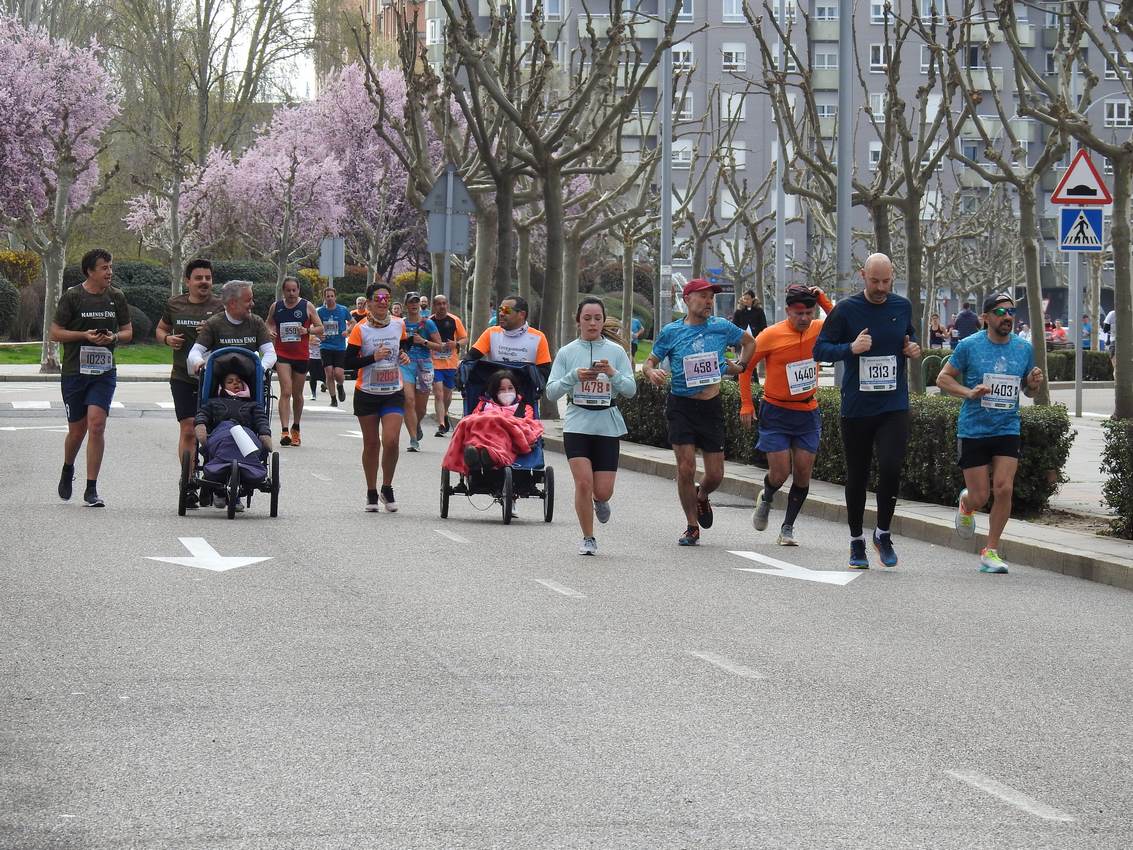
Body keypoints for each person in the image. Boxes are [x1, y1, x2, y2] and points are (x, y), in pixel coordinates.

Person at [813, 253, 921, 569]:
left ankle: (883, 533)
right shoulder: (847, 310)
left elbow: (910, 336)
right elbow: (819, 349)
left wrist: (913, 347)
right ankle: (856, 541)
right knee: (858, 475)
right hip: (857, 407)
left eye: (886, 281)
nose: (880, 287)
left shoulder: (901, 306)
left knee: (890, 467)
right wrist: (850, 348)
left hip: (893, 405)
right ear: (863, 276)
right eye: (874, 281)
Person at [935, 293, 1045, 574]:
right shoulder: (970, 346)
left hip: (1007, 427)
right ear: (986, 318)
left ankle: (990, 550)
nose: (1007, 317)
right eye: (1000, 312)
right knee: (980, 496)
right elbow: (943, 378)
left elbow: (1028, 390)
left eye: (1011, 312)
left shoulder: (1023, 348)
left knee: (1005, 487)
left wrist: (1033, 385)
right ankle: (966, 503)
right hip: (973, 429)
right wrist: (969, 392)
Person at [643, 278, 755, 546]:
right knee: (686, 467)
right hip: (681, 406)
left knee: (716, 474)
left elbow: (750, 343)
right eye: (703, 297)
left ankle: (702, 494)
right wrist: (651, 372)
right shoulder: (671, 332)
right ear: (687, 300)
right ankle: (692, 526)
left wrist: (740, 366)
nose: (708, 302)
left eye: (711, 298)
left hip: (710, 406)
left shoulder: (721, 327)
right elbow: (650, 361)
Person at [739, 284, 834, 546]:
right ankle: (768, 495)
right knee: (780, 472)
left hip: (807, 411)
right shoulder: (771, 335)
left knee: (803, 473)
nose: (804, 318)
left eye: (809, 313)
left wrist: (823, 299)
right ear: (787, 311)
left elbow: (843, 322)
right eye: (798, 313)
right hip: (776, 411)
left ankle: (787, 528)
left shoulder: (818, 329)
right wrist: (746, 404)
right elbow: (745, 369)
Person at [545, 297, 637, 556]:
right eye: (587, 318)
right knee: (583, 483)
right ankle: (588, 537)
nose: (593, 323)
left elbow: (630, 390)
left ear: (603, 320)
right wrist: (574, 376)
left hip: (607, 425)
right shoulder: (567, 352)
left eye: (597, 318)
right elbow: (551, 392)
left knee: (603, 490)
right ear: (578, 321)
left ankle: (600, 501)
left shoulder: (616, 353)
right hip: (577, 423)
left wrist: (612, 374)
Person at [50, 248, 133, 507]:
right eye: (104, 268)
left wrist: (114, 338)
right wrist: (84, 336)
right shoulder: (73, 297)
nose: (110, 272)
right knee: (77, 431)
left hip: (104, 372)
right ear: (90, 271)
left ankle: (91, 488)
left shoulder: (116, 296)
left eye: (111, 267)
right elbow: (55, 333)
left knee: (96, 424)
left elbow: (128, 331)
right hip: (75, 372)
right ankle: (67, 468)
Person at [155, 258, 223, 509]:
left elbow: (233, 336)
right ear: (188, 281)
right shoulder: (175, 304)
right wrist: (167, 339)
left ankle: (214, 480)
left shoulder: (221, 306)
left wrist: (215, 330)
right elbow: (160, 329)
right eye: (198, 278)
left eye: (208, 278)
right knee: (188, 428)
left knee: (214, 431)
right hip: (183, 376)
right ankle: (189, 481)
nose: (204, 282)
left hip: (214, 378)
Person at [344, 282, 410, 512]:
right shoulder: (360, 329)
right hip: (367, 393)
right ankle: (371, 492)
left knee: (391, 440)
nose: (383, 302)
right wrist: (372, 357)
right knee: (371, 444)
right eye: (378, 298)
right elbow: (348, 362)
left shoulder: (399, 325)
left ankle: (387, 487)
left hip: (393, 392)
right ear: (369, 302)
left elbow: (402, 348)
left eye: (386, 298)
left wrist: (403, 356)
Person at [194, 371, 273, 511]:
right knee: (227, 431)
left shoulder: (253, 405)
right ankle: (217, 488)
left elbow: (261, 420)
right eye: (230, 382)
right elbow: (203, 414)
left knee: (242, 436)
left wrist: (264, 433)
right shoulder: (214, 402)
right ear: (222, 386)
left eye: (238, 381)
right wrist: (201, 425)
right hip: (221, 435)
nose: (235, 383)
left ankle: (234, 493)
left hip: (245, 438)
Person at [442, 369, 544, 474]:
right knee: (474, 426)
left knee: (500, 436)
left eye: (510, 388)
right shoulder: (484, 405)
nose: (507, 392)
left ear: (516, 389)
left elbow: (527, 425)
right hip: (483, 435)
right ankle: (477, 456)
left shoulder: (524, 408)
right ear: (495, 392)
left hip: (508, 438)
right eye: (502, 389)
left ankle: (490, 456)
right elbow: (474, 420)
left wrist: (503, 421)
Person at [267, 277, 323, 446]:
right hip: (282, 354)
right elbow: (268, 323)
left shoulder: (307, 306)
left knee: (297, 394)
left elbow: (320, 328)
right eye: (288, 290)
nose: (291, 293)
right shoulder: (276, 307)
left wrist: (307, 330)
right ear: (283, 291)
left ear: (298, 291)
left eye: (294, 290)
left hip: (301, 355)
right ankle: (284, 430)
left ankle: (296, 428)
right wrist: (270, 332)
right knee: (286, 390)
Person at [187, 280, 277, 378]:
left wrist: (261, 368)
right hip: (221, 381)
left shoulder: (257, 322)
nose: (252, 304)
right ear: (233, 303)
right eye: (248, 300)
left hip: (251, 379)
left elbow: (270, 353)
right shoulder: (214, 323)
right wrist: (198, 361)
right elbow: (195, 351)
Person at [466, 295, 553, 380]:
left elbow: (544, 372)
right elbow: (469, 359)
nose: (501, 314)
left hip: (525, 390)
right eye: (500, 310)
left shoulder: (538, 337)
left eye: (506, 310)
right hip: (496, 389)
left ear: (522, 314)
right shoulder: (491, 333)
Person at [400, 291, 443, 451]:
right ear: (406, 305)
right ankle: (413, 440)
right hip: (406, 363)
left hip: (425, 364)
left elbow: (440, 346)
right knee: (408, 400)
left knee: (421, 407)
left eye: (416, 302)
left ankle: (416, 424)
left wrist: (424, 341)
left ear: (419, 304)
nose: (414, 305)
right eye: (411, 302)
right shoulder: (401, 324)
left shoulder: (428, 323)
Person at [429, 293, 468, 435]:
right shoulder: (429, 321)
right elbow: (422, 338)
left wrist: (456, 344)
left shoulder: (454, 320)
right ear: (434, 306)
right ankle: (440, 424)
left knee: (447, 394)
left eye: (444, 303)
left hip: (451, 363)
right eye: (439, 304)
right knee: (438, 394)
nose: (442, 306)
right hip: (434, 363)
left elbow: (464, 339)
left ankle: (445, 412)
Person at [317, 287, 353, 407]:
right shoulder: (320, 311)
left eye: (332, 296)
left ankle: (340, 385)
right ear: (324, 298)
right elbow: (314, 325)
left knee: (338, 373)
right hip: (325, 345)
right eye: (328, 296)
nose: (330, 298)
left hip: (339, 347)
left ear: (335, 297)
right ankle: (333, 399)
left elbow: (353, 322)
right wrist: (319, 335)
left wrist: (347, 331)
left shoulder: (343, 310)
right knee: (329, 372)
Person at [306, 331, 322, 401]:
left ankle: (326, 386)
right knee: (313, 377)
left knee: (325, 377)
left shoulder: (323, 329)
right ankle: (313, 393)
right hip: (311, 357)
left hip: (322, 357)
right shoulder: (310, 329)